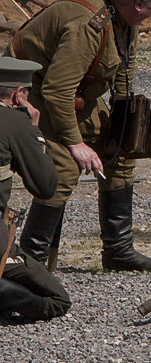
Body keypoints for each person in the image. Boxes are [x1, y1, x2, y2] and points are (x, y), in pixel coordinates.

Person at [7, 0, 151, 272]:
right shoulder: (88, 25)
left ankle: (118, 251)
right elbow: (57, 92)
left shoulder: (123, 14)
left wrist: (124, 119)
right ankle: (31, 263)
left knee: (120, 152)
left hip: (75, 95)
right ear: (139, 4)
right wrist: (75, 144)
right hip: (33, 93)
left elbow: (124, 65)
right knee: (63, 169)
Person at [0, 57, 71, 321]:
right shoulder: (13, 122)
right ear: (19, 95)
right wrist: (34, 131)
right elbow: (45, 187)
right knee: (57, 301)